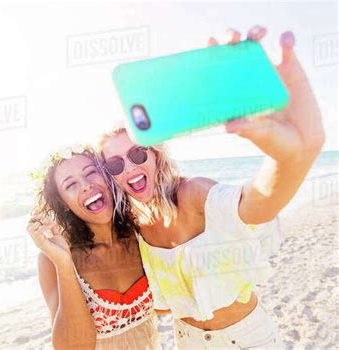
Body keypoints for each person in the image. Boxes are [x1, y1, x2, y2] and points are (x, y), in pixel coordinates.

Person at [99, 25, 325, 349]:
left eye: (137, 152)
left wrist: (292, 159)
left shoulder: (191, 194)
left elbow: (257, 205)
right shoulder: (133, 224)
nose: (130, 166)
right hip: (186, 341)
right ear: (110, 175)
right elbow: (155, 302)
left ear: (156, 155)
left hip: (246, 339)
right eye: (115, 164)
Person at [27, 147, 162, 349]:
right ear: (63, 203)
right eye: (71, 184)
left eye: (91, 172)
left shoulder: (141, 233)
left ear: (107, 177)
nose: (86, 185)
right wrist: (65, 265)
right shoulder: (51, 258)